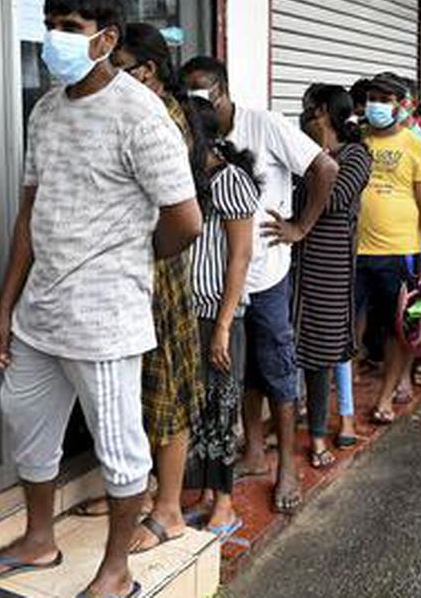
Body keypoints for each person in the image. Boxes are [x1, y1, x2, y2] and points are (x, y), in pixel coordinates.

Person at [0, 0, 202, 598]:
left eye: (69, 29)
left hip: (104, 318)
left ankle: (116, 570)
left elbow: (185, 220)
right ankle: (40, 540)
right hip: (39, 313)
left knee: (121, 449)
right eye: (49, 25)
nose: (54, 39)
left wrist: (125, 256)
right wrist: (4, 308)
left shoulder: (140, 114)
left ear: (105, 39)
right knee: (29, 431)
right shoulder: (46, 109)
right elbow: (30, 213)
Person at [56, 23, 203, 554]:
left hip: (155, 274)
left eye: (118, 67)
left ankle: (168, 508)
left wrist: (150, 254)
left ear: (148, 72)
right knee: (129, 396)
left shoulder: (160, 118)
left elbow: (179, 215)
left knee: (165, 389)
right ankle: (136, 496)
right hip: (117, 274)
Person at [179, 56, 339, 515]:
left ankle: (286, 464)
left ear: (223, 91)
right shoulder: (197, 142)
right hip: (213, 288)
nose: (195, 102)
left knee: (276, 367)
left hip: (263, 276)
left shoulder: (263, 125)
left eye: (202, 92)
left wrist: (300, 227)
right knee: (236, 374)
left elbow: (324, 169)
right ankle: (252, 450)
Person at [184, 98, 261, 538]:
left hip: (218, 314)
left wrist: (225, 326)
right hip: (192, 311)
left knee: (221, 406)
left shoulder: (230, 180)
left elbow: (240, 256)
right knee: (201, 407)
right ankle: (210, 496)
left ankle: (226, 503)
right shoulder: (195, 181)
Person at [293, 84, 372, 469]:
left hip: (330, 267)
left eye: (310, 109)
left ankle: (319, 435)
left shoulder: (356, 154)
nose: (304, 115)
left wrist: (317, 161)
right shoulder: (302, 150)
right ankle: (292, 421)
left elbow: (335, 199)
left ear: (323, 111)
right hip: (295, 260)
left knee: (321, 354)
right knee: (288, 346)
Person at [355, 76, 421, 425]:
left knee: (399, 328)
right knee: (348, 325)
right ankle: (345, 401)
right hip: (354, 252)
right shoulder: (356, 140)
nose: (376, 105)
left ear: (401, 104)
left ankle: (386, 396)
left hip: (400, 251)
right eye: (372, 98)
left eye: (384, 99)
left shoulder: (417, 145)